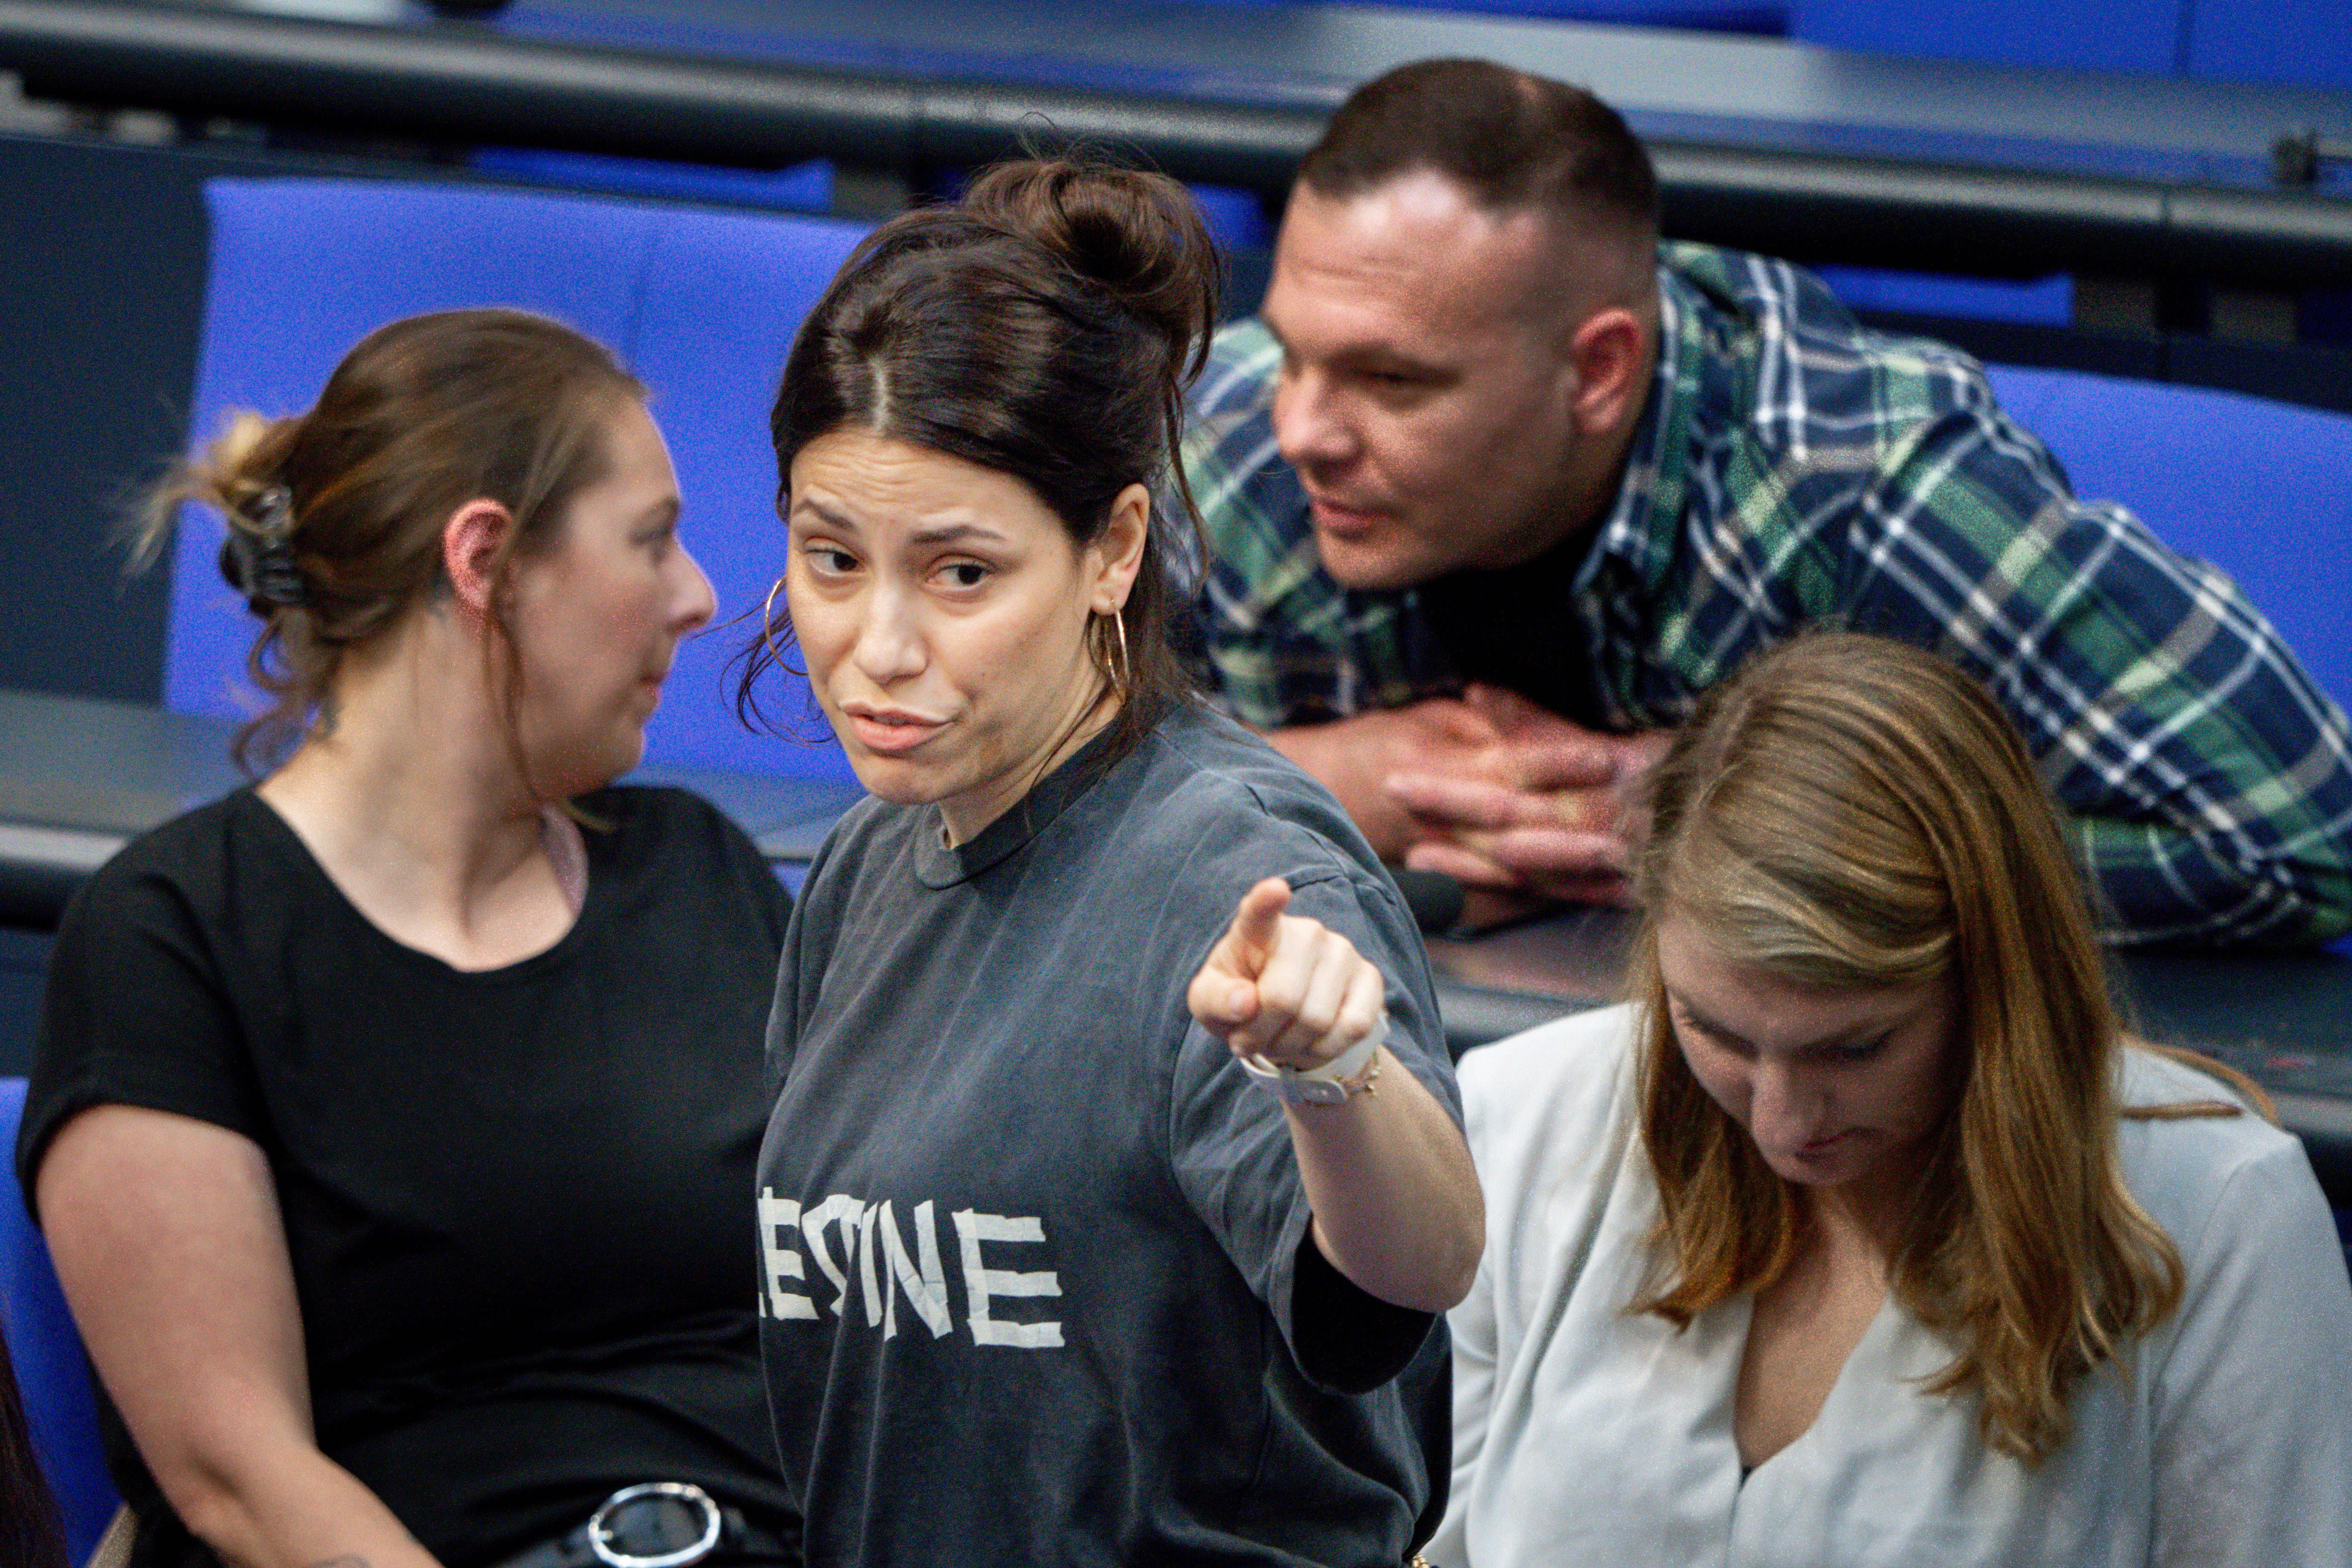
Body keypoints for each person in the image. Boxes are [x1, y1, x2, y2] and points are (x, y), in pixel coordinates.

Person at [1183, 57, 2352, 946]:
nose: (1306, 430)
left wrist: (1769, 828)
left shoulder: (1866, 489)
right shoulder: (1232, 429)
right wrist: (1312, 777)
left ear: (1598, 371)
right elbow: (1010, 770)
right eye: (1293, 350)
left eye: (1393, 380)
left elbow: (2301, 836)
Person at [749, 159, 1484, 1566]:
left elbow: (1407, 1281)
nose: (878, 646)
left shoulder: (1237, 872)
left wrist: (1333, 1078)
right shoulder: (862, 864)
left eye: (961, 573)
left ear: (1111, 549)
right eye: (829, 558)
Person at [17, 310, 800, 1568]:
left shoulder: (697, 873)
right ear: (485, 557)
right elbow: (240, 1482)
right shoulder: (176, 939)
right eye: (651, 542)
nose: (700, 597)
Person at [1428, 630, 2352, 1566]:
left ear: (1996, 980)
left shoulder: (2224, 1216)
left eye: (1857, 1045)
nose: (1784, 1122)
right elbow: (1425, 1539)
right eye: (1717, 1031)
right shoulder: (1526, 1113)